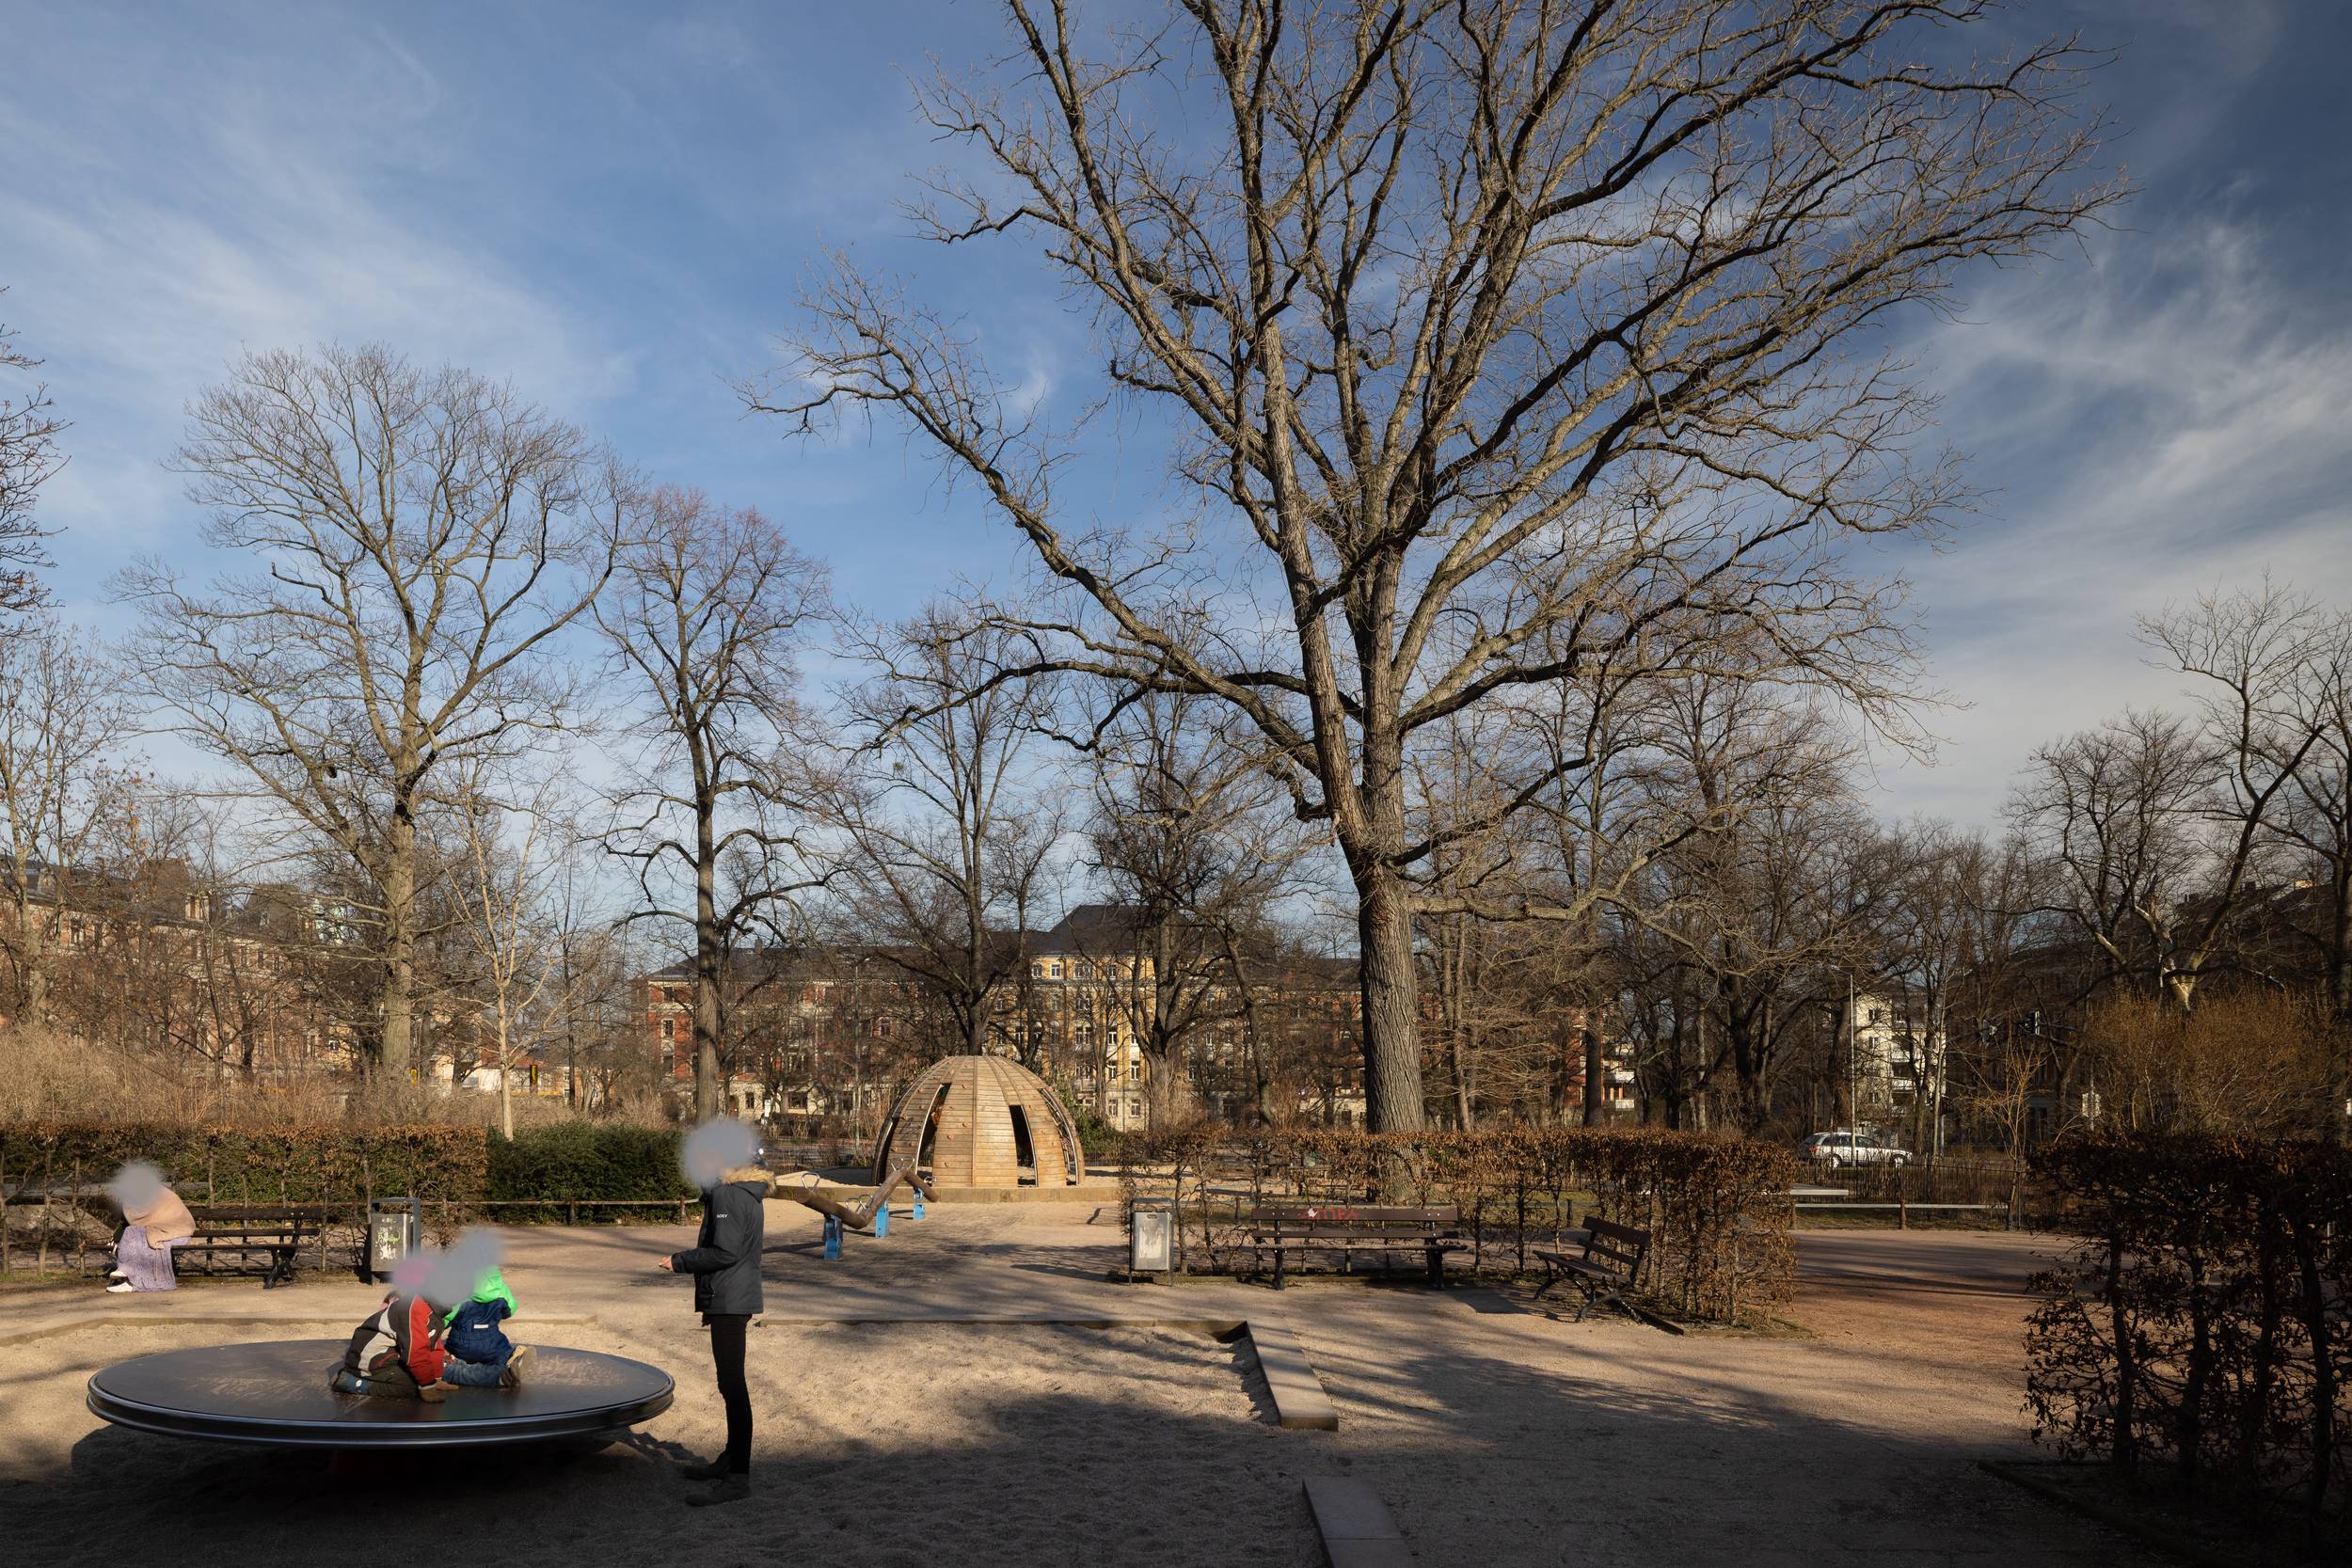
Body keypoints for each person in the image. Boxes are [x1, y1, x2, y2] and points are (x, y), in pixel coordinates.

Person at [659, 1119, 767, 1508]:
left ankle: (739, 1476)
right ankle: (730, 1460)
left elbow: (725, 1252)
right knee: (729, 1384)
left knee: (733, 1386)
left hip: (730, 1299)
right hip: (735, 1296)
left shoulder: (729, 1197)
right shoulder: (746, 1194)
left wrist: (679, 1261)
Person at [333, 1281, 454, 1401]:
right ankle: (350, 1382)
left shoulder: (436, 1310)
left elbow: (433, 1346)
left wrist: (436, 1378)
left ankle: (423, 1381)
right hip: (371, 1359)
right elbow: (415, 1352)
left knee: (422, 1379)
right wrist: (428, 1386)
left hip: (391, 1355)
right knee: (412, 1387)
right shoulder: (414, 1308)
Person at [438, 1264, 536, 1388]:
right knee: (502, 1352)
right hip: (492, 1341)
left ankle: (460, 1364)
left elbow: (443, 1320)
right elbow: (510, 1310)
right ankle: (509, 1362)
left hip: (461, 1343)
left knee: (450, 1358)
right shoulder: (501, 1290)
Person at [106, 1163, 194, 1294]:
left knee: (146, 1240)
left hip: (177, 1233)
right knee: (132, 1231)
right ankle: (125, 1270)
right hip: (155, 1230)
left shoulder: (163, 1194)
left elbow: (173, 1219)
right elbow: (136, 1219)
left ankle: (134, 1282)